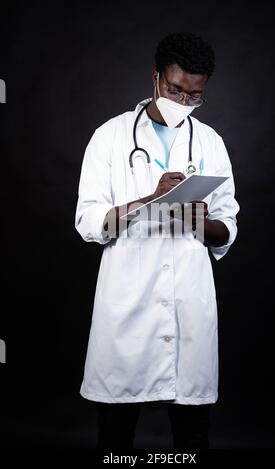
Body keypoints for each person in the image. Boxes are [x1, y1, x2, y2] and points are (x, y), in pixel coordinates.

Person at [75, 32, 239, 450]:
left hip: (189, 306)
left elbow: (227, 225)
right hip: (126, 308)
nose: (183, 101)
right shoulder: (109, 138)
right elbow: (88, 221)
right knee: (115, 435)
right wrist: (150, 200)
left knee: (192, 436)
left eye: (194, 96)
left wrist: (200, 222)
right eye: (174, 90)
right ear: (155, 78)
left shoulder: (210, 142)